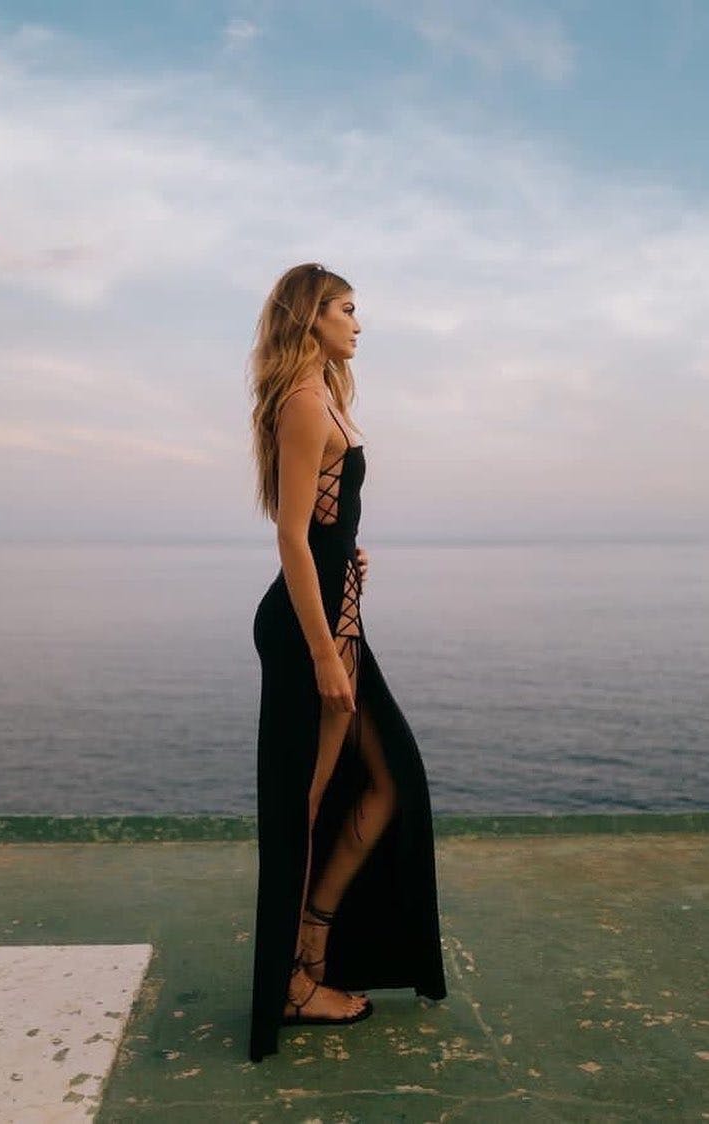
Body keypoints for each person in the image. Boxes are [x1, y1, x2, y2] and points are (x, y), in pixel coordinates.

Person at [247, 262, 447, 1063]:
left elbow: (322, 527)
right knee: (309, 802)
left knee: (388, 781)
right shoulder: (301, 400)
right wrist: (326, 653)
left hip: (340, 615)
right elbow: (290, 535)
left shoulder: (328, 394)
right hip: (312, 632)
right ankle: (296, 984)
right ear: (310, 318)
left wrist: (346, 553)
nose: (359, 325)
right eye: (347, 310)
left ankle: (313, 953)